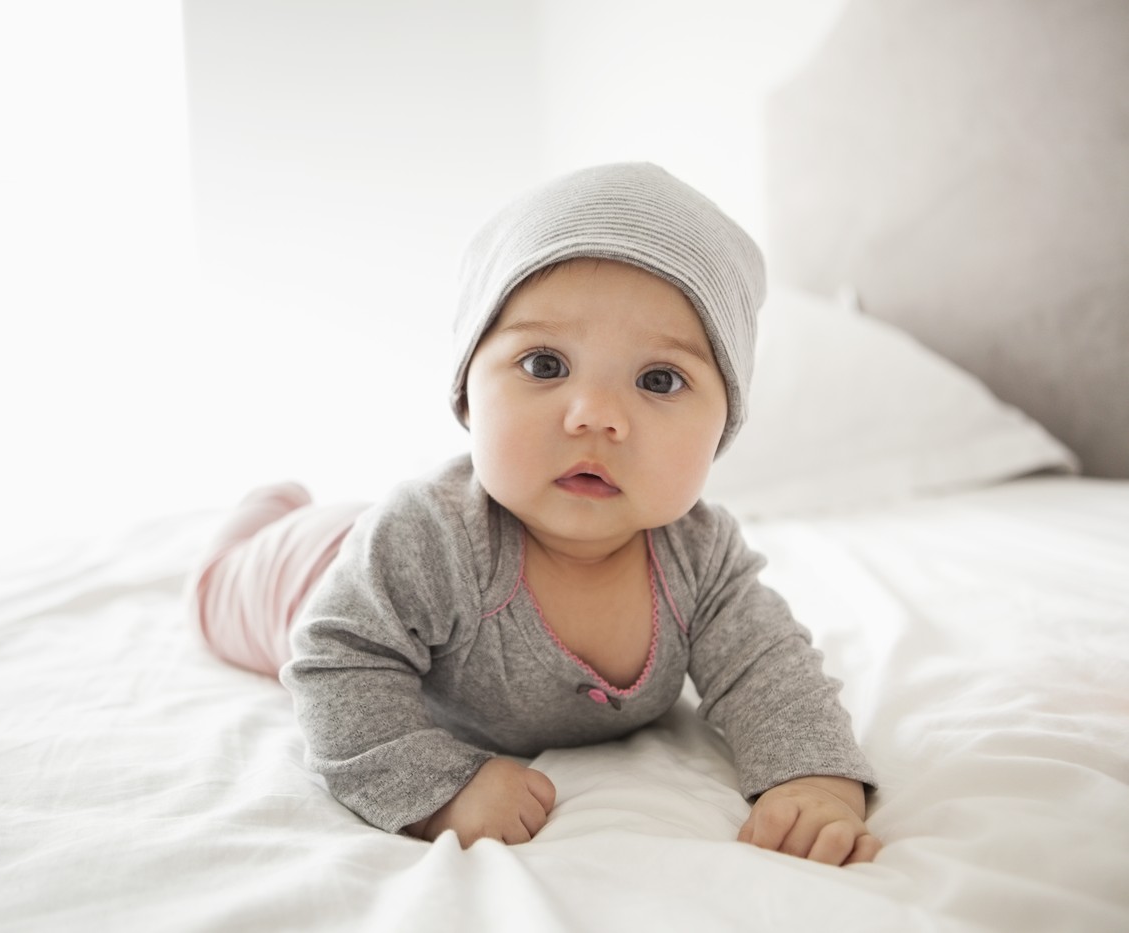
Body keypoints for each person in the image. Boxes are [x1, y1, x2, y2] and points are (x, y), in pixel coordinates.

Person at [186, 162, 881, 865]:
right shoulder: (431, 536)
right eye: (545, 365)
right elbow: (337, 663)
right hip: (309, 570)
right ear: (467, 389)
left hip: (372, 545)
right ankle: (260, 513)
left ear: (724, 422)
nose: (596, 417)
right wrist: (440, 789)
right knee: (216, 588)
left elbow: (770, 669)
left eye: (659, 379)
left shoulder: (700, 557)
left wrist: (813, 778)